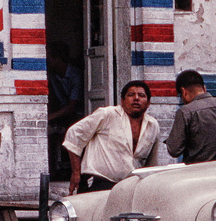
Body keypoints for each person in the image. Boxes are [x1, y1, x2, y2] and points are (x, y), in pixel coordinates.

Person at [63, 80, 161, 194]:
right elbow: (74, 134)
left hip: (130, 187)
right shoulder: (107, 114)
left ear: (148, 103)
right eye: (131, 95)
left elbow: (151, 164)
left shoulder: (153, 125)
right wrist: (76, 172)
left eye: (141, 95)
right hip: (99, 183)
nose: (136, 98)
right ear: (122, 101)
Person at [165, 69, 216, 163]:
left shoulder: (185, 112)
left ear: (184, 92)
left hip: (197, 172)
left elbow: (174, 150)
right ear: (204, 88)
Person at [46, 42, 84, 177]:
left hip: (77, 114)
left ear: (57, 59)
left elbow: (73, 106)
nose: (46, 60)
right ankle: (53, 170)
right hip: (63, 113)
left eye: (49, 57)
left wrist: (51, 116)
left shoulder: (75, 75)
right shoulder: (53, 75)